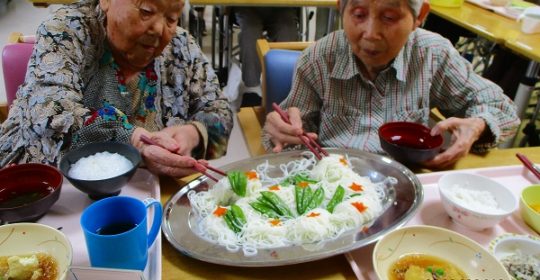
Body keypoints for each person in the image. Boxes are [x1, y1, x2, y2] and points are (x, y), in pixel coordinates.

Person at [263, 0, 520, 169]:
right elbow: (288, 137)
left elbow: (501, 107)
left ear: (419, 15)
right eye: (359, 14)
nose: (371, 32)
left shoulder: (432, 54)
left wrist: (477, 126)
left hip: (410, 187)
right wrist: (280, 130)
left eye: (389, 17)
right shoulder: (319, 59)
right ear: (341, 7)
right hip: (335, 187)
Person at [0, 0, 233, 177]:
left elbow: (221, 112)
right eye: (146, 11)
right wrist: (131, 139)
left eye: (172, 18)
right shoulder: (67, 31)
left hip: (147, 194)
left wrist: (193, 134)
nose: (160, 29)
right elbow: (49, 109)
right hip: (50, 189)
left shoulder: (180, 46)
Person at [234, 7, 299, 107]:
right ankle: (252, 89)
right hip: (248, 6)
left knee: (287, 30)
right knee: (250, 32)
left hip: (283, 7)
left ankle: (284, 88)